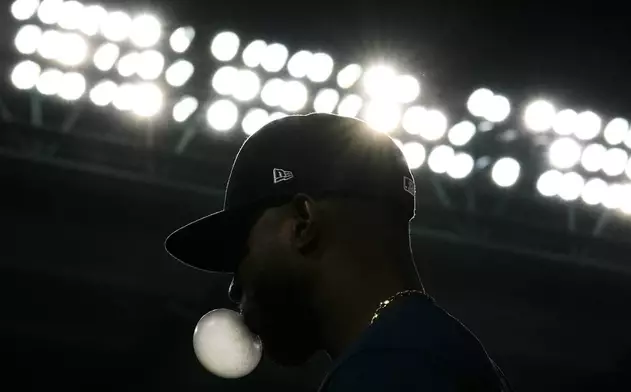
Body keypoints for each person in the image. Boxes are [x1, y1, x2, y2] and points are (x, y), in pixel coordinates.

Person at [165, 113, 511, 391]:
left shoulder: (390, 369)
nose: (233, 286)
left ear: (302, 223)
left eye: (241, 250)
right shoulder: (429, 352)